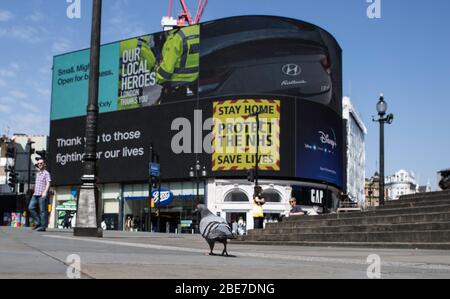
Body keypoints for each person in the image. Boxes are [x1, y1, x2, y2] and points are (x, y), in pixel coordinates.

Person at [155, 24, 200, 104]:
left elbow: (166, 72)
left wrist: (155, 78)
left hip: (175, 90)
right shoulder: (197, 30)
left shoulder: (176, 38)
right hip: (194, 87)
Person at [28, 159, 51, 232]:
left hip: (42, 194)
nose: (39, 164)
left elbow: (48, 183)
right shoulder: (38, 173)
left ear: (44, 164)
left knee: (42, 211)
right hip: (35, 194)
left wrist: (45, 192)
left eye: (41, 163)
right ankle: (38, 222)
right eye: (38, 163)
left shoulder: (46, 173)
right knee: (30, 208)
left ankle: (43, 227)